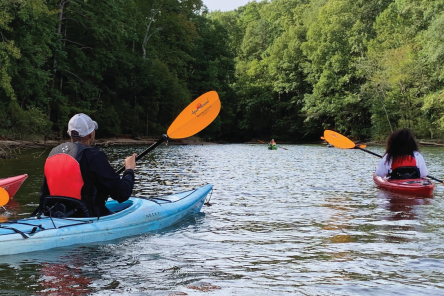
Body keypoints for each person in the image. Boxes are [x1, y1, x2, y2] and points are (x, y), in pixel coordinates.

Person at [33, 113, 137, 218]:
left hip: (55, 214)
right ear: (91, 134)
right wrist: (129, 169)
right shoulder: (95, 156)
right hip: (86, 216)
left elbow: (44, 195)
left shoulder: (54, 153)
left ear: (69, 133)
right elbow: (122, 194)